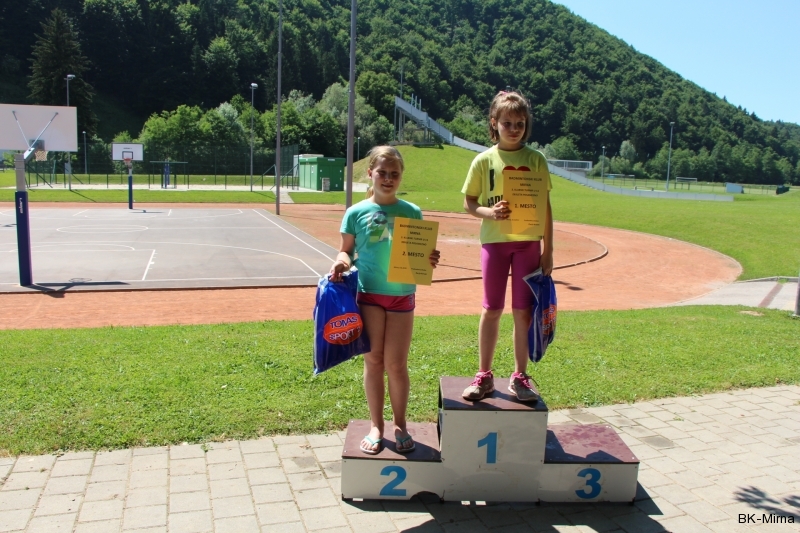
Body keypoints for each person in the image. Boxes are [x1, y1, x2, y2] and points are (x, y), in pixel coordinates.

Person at [330, 146, 440, 455]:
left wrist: (429, 258)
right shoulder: (355, 212)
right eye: (382, 173)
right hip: (369, 295)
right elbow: (346, 251)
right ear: (370, 173)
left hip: (402, 296)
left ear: (401, 176)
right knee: (374, 361)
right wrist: (341, 263)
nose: (388, 179)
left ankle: (400, 424)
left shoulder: (412, 211)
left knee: (397, 364)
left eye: (395, 174)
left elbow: (421, 254)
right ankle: (376, 425)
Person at [460, 90, 554, 402]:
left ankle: (519, 376)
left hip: (527, 244)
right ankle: (484, 375)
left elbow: (545, 207)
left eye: (520, 124)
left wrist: (548, 250)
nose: (514, 129)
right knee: (491, 308)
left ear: (527, 124)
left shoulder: (536, 159)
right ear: (494, 123)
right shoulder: (483, 160)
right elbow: (469, 202)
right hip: (495, 243)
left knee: (523, 311)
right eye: (507, 123)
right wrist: (489, 212)